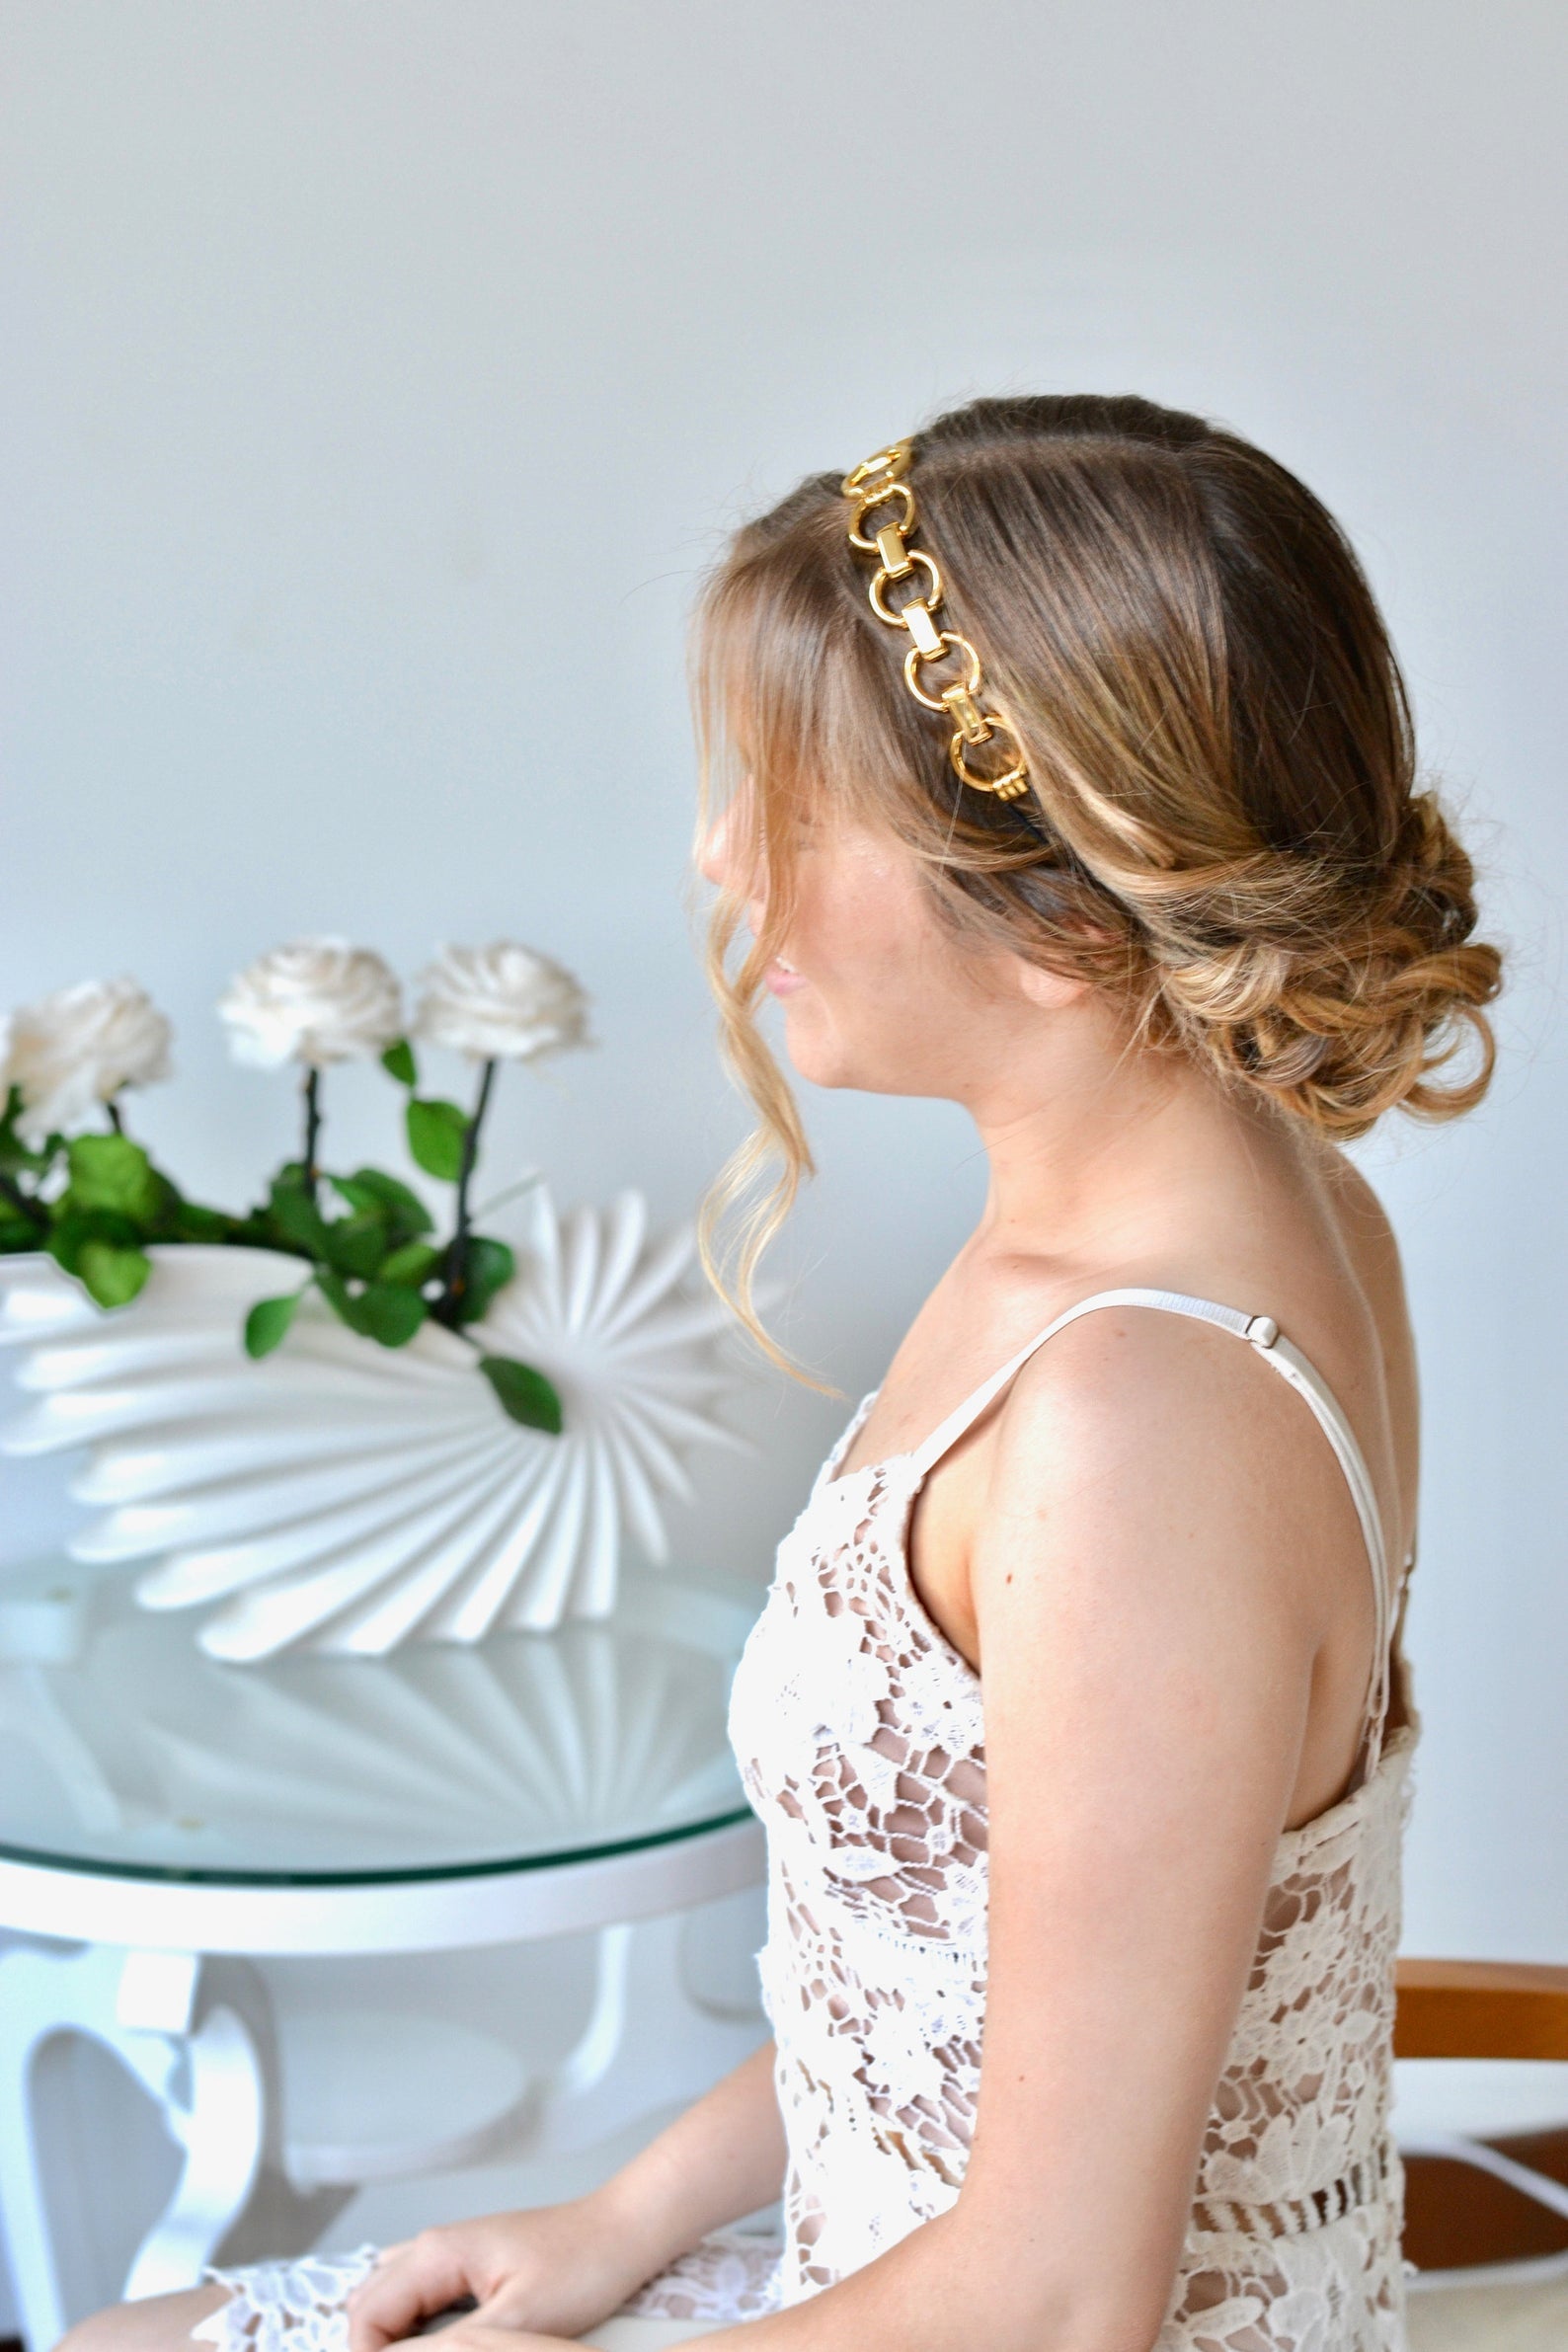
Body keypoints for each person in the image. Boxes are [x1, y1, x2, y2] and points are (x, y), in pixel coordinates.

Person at [68, 394, 1501, 2352]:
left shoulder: (1134, 1422)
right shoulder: (1257, 1218)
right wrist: (623, 2217)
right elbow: (978, 1982)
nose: (719, 857)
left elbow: (1063, 2296)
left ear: (1059, 893)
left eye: (788, 798)